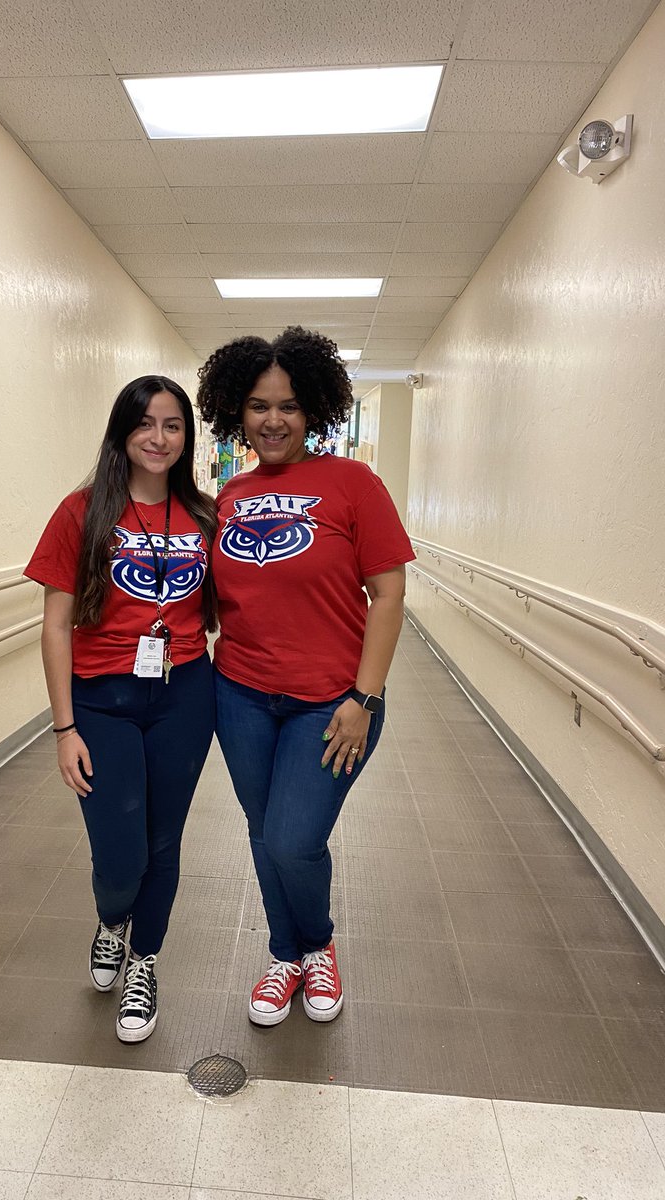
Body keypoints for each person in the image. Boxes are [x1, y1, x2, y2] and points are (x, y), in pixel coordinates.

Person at [197, 327, 415, 1027]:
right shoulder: (230, 492)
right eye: (258, 406)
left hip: (331, 701)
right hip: (240, 694)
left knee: (295, 837)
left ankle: (318, 945)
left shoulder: (353, 483)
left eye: (288, 406)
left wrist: (364, 697)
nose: (272, 420)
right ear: (237, 412)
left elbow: (389, 596)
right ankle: (284, 953)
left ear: (313, 410)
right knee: (263, 832)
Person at [25, 376, 217, 1043]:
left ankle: (143, 960)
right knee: (120, 854)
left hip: (185, 695)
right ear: (121, 431)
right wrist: (63, 727)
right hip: (100, 700)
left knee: (164, 842)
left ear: (186, 436)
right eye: (145, 424)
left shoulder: (204, 515)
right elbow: (53, 628)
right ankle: (112, 919)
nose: (158, 438)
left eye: (172, 425)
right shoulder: (81, 512)